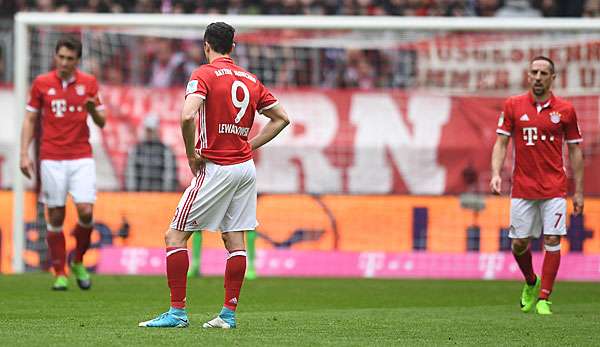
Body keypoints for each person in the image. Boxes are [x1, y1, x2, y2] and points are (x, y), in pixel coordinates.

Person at [139, 22, 290, 328]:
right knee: (235, 240)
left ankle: (178, 313)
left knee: (175, 235)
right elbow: (282, 119)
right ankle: (228, 315)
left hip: (217, 167)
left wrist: (191, 154)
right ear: (233, 47)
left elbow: (187, 115)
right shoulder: (250, 79)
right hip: (245, 169)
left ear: (206, 45)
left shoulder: (203, 74)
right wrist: (250, 144)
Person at [490, 56, 584, 315]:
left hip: (554, 187)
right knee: (519, 244)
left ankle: (544, 298)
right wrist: (496, 173)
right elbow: (501, 143)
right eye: (535, 72)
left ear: (553, 78)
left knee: (553, 238)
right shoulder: (513, 105)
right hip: (522, 187)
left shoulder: (565, 110)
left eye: (544, 73)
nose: (539, 77)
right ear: (528, 76)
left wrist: (579, 192)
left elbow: (575, 150)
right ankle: (532, 281)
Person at [20, 36, 106, 290]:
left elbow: (102, 121)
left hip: (81, 156)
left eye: (70, 59)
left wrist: (92, 110)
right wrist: (24, 153)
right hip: (51, 157)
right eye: (61, 57)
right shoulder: (41, 83)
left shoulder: (89, 83)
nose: (64, 62)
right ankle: (60, 272)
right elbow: (29, 120)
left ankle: (78, 259)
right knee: (55, 214)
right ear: (55, 56)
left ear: (77, 61)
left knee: (86, 211)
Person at [125, 114, 178, 191]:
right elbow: (130, 176)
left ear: (157, 130)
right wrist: (132, 195)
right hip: (139, 197)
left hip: (159, 197)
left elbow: (169, 177)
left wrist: (166, 195)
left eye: (151, 130)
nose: (149, 133)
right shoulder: (136, 150)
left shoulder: (165, 151)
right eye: (147, 130)